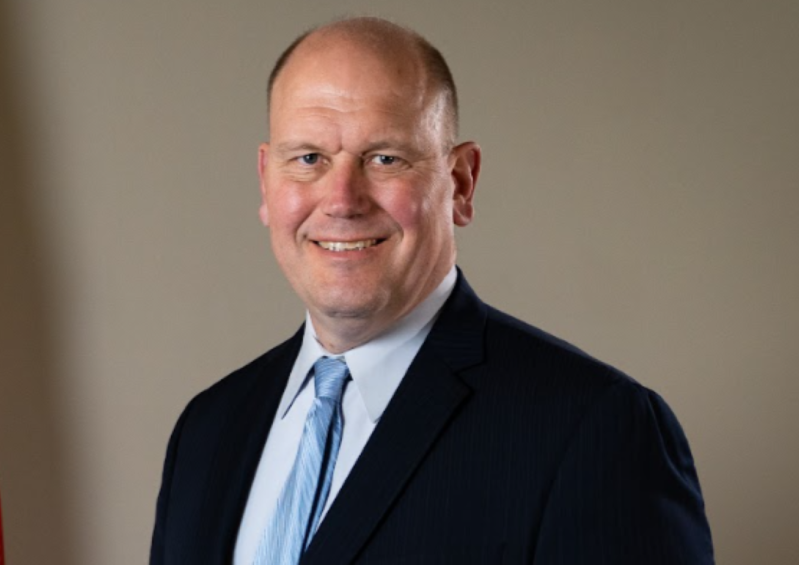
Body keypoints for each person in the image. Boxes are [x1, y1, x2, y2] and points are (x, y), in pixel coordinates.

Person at [150, 17, 714, 565]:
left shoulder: (592, 430)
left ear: (461, 183)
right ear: (267, 182)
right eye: (309, 160)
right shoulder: (207, 431)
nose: (342, 199)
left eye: (385, 158)